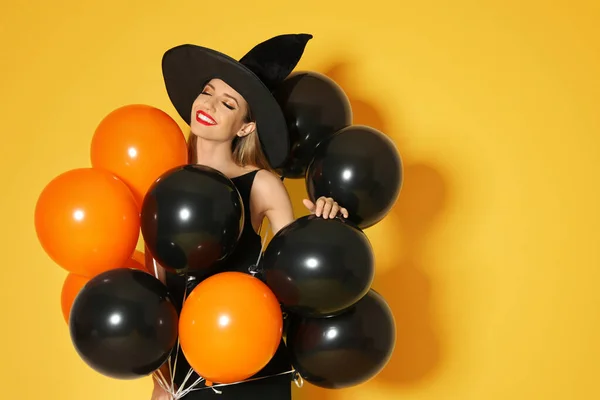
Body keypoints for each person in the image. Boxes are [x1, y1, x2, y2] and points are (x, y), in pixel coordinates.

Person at [150, 33, 349, 400]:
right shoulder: (163, 181)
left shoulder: (261, 185)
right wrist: (162, 379)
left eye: (228, 103)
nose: (209, 104)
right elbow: (159, 292)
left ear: (245, 127)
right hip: (186, 372)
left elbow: (298, 276)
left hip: (251, 372)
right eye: (208, 91)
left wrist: (325, 223)